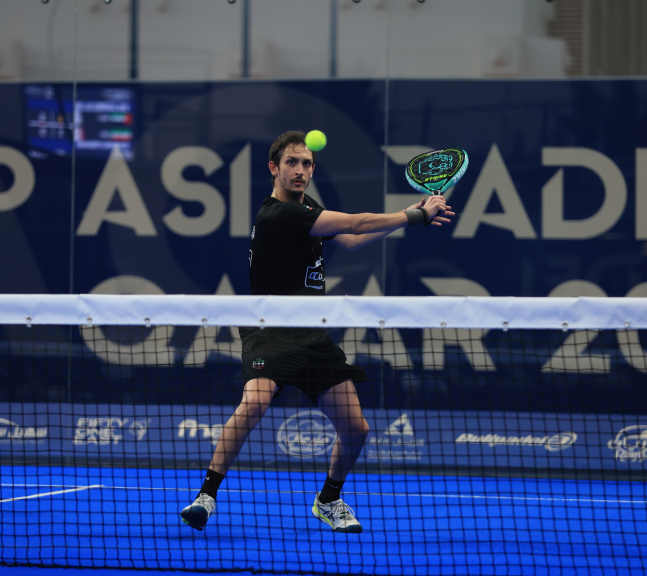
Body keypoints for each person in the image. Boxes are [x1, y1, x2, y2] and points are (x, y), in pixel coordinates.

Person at [181, 131, 453, 533]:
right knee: (255, 403)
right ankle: (206, 495)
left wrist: (411, 215)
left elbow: (352, 239)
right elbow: (355, 222)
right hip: (269, 331)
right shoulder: (278, 214)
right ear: (274, 168)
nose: (300, 170)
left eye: (307, 164)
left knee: (357, 429)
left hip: (311, 335)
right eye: (292, 162)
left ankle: (328, 500)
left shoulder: (307, 208)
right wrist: (413, 216)